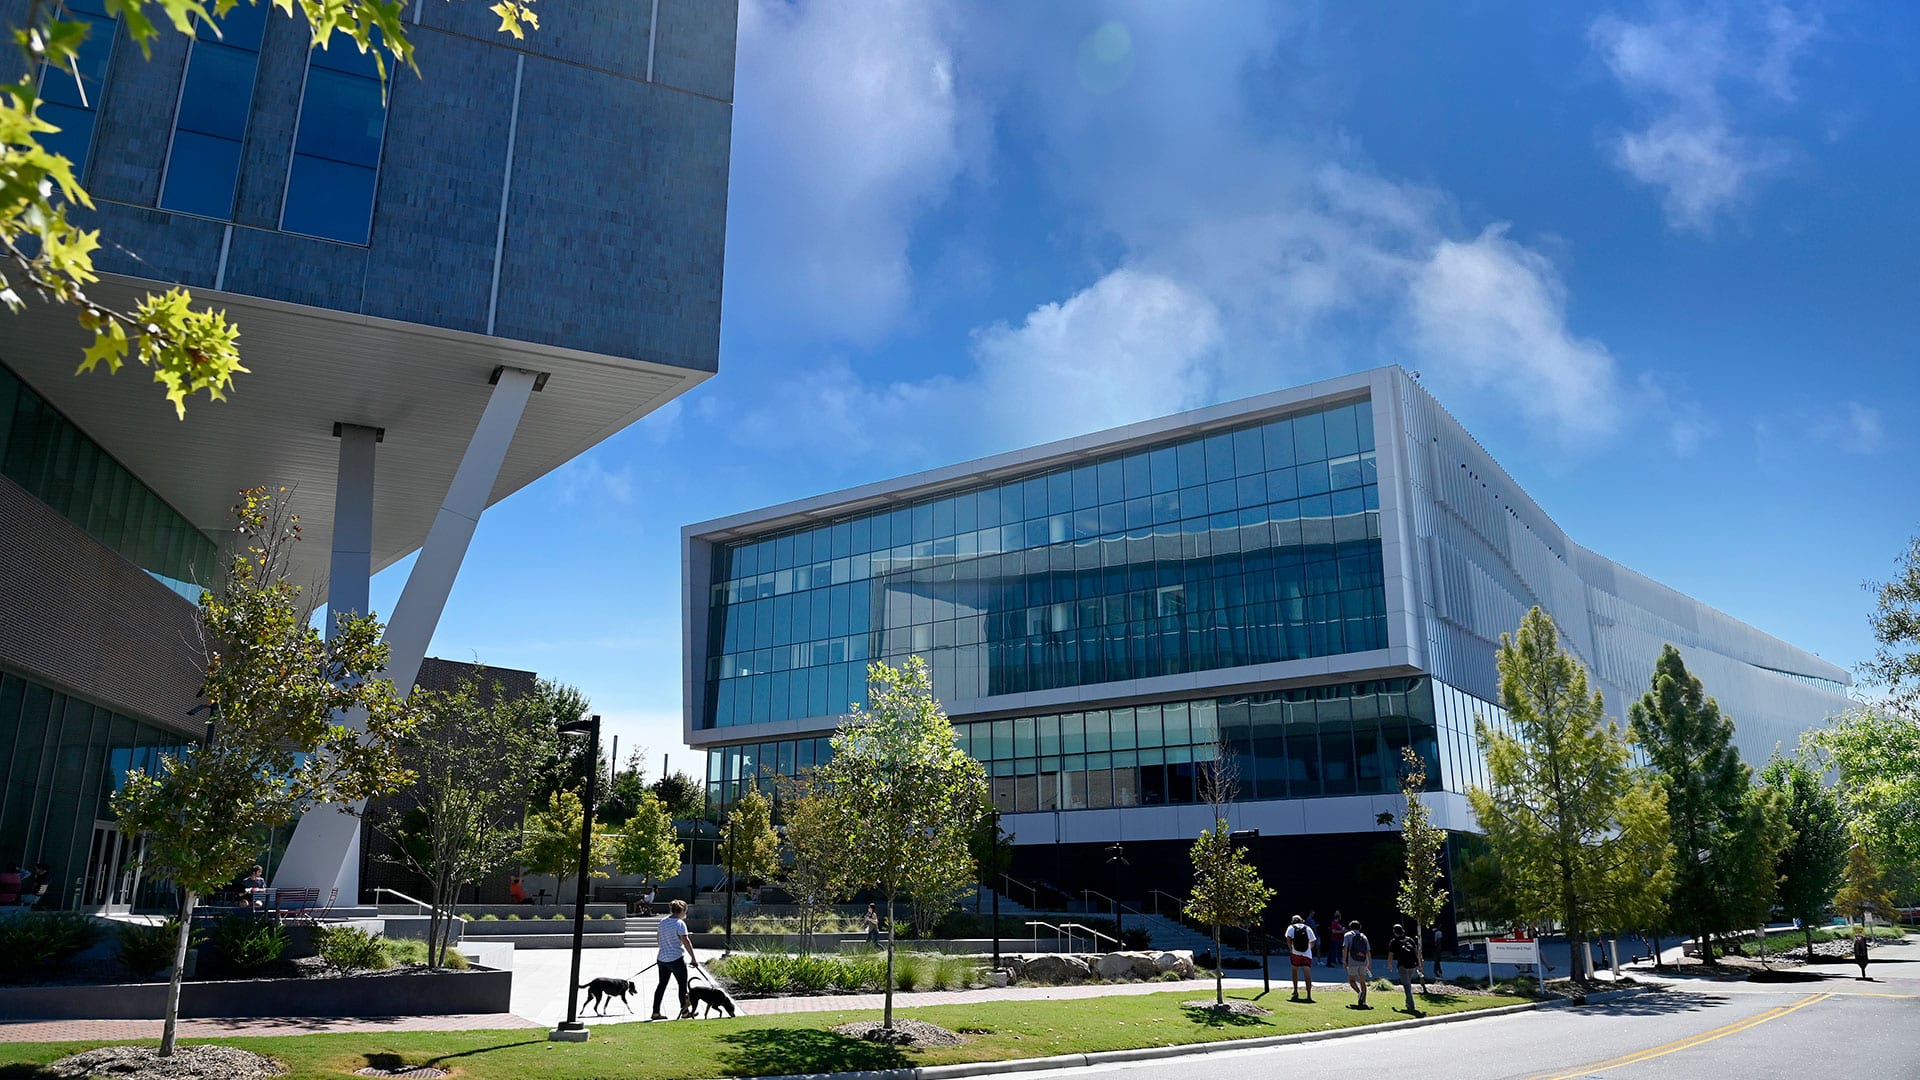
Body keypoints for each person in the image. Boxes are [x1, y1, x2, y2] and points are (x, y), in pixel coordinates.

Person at [652, 899, 698, 1019]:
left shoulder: (663, 921)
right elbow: (686, 941)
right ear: (681, 910)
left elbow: (658, 938)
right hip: (676, 959)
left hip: (662, 959)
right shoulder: (679, 923)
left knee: (661, 985)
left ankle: (655, 1012)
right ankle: (684, 1012)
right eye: (685, 911)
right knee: (682, 986)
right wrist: (693, 958)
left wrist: (664, 949)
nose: (685, 914)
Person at [1391, 924, 1422, 1015]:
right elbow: (1417, 953)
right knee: (1408, 984)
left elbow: (1391, 954)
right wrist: (1420, 965)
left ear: (1394, 932)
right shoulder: (1410, 940)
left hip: (1402, 966)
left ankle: (1411, 1006)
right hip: (1412, 966)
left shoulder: (1394, 941)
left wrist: (1389, 965)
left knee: (1407, 986)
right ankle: (1408, 1003)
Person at [1286, 914, 1318, 1002]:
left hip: (1295, 953)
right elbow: (1313, 941)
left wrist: (1291, 949)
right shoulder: (1307, 928)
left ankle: (1295, 991)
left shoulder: (1291, 927)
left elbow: (1288, 939)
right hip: (1306, 954)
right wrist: (1309, 949)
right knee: (1307, 976)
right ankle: (1308, 995)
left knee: (1295, 973)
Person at [1343, 919, 1372, 1009]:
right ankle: (1364, 1002)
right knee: (1363, 982)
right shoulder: (1363, 936)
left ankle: (1359, 992)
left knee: (1352, 981)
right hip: (1363, 961)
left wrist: (1344, 960)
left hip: (1352, 961)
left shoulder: (1347, 935)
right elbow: (1368, 951)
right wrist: (1369, 963)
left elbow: (1345, 948)